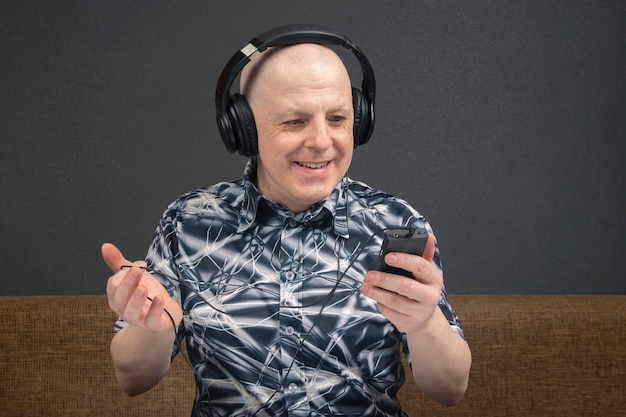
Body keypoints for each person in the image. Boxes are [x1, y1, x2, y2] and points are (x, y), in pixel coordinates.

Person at [102, 25, 471, 417]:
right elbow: (133, 380)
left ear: (360, 121)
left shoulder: (394, 222)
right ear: (243, 128)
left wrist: (425, 321)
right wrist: (147, 326)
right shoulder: (189, 223)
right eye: (294, 121)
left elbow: (449, 389)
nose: (321, 140)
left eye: (338, 118)